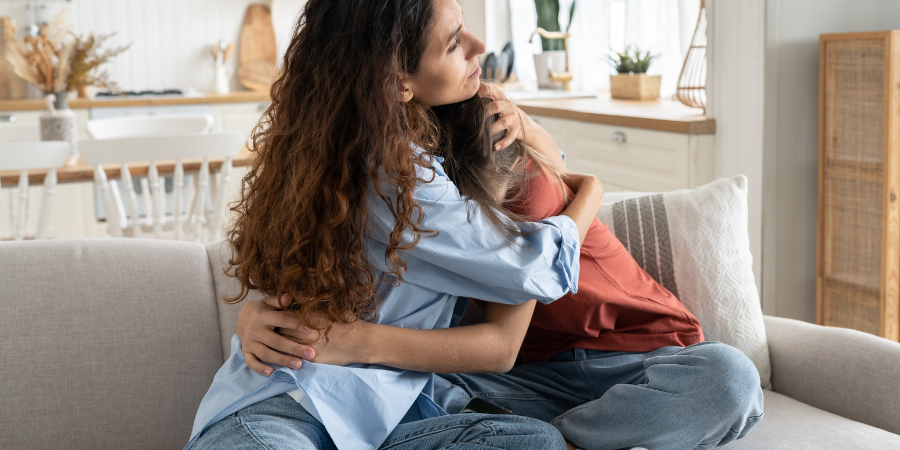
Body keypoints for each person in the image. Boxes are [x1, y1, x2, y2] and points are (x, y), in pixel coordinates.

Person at [186, 0, 606, 449]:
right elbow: (534, 266)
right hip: (286, 410)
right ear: (396, 81)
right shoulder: (398, 172)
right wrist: (593, 191)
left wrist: (534, 134)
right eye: (453, 43)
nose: (479, 46)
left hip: (376, 421)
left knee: (530, 441)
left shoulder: (341, 147)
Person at [239, 95, 766, 450]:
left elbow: (537, 243)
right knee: (417, 397)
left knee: (728, 378)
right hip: (509, 383)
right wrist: (256, 316)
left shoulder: (501, 145)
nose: (474, 53)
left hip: (638, 355)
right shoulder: (408, 189)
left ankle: (556, 439)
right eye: (452, 44)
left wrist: (580, 187)